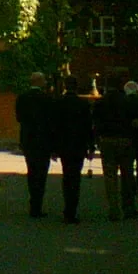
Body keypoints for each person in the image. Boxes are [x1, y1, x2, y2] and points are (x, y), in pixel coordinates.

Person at [54, 75, 94, 224]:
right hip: (79, 145)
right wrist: (91, 146)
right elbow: (88, 126)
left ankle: (67, 207)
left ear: (65, 86)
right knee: (75, 177)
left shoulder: (59, 103)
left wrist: (54, 147)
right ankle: (72, 210)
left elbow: (54, 126)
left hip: (64, 145)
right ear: (76, 87)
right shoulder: (82, 104)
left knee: (66, 175)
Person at [93, 85, 136, 221]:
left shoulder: (100, 102)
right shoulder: (128, 102)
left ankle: (114, 209)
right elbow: (135, 122)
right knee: (127, 173)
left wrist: (96, 140)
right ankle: (128, 207)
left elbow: (95, 122)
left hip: (107, 140)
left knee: (110, 175)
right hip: (125, 139)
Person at [15, 72, 53, 218]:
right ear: (39, 82)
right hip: (43, 141)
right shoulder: (47, 99)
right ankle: (38, 204)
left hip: (28, 140)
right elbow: (51, 121)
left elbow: (19, 117)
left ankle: (33, 203)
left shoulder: (22, 98)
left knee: (31, 171)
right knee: (41, 174)